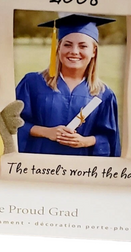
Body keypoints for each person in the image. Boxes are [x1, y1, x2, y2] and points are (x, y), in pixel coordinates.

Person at [16, 14, 121, 157]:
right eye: (67, 44)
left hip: (81, 168)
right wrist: (46, 132)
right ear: (58, 48)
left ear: (94, 51)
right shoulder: (32, 83)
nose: (74, 51)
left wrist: (85, 141)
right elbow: (12, 124)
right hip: (38, 165)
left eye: (83, 46)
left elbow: (110, 139)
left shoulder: (104, 94)